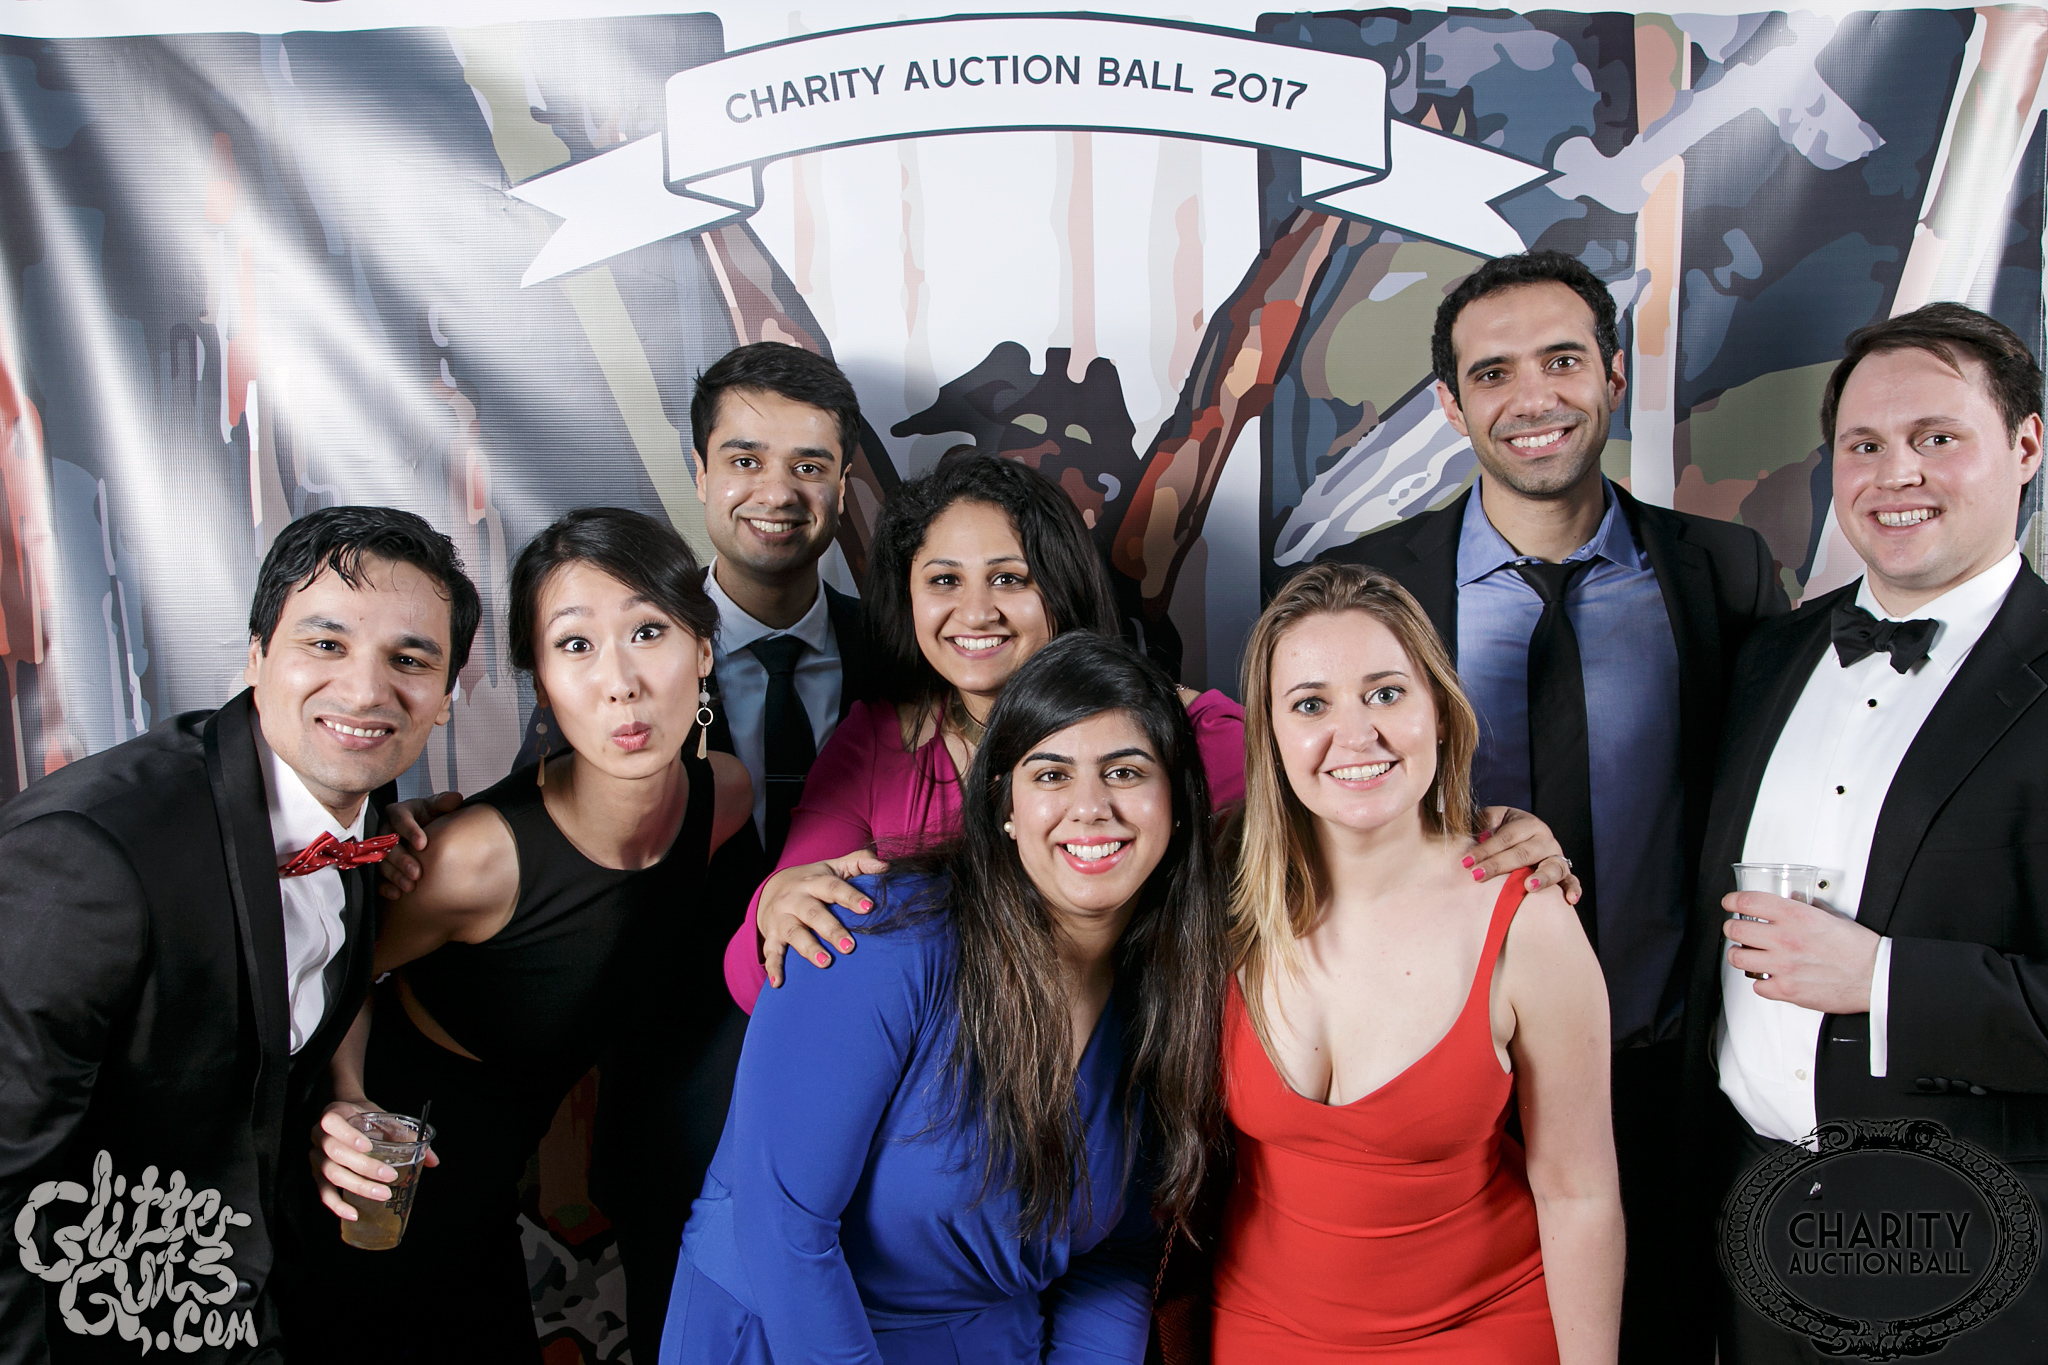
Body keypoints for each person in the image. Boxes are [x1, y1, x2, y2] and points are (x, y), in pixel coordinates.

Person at [1318, 249, 1786, 1359]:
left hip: (1664, 1080)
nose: (1532, 397)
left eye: (1562, 360)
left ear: (1612, 377)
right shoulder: (1362, 589)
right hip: (1445, 1093)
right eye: (1493, 373)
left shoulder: (1724, 572)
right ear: (1450, 405)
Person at [662, 632, 1230, 1365]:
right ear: (1004, 805)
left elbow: (1116, 1256)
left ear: (1177, 804)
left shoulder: (1168, 997)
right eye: (1051, 774)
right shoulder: (877, 936)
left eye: (1124, 772)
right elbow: (782, 1233)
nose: (1090, 807)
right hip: (781, 1332)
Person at [0, 507, 479, 1364]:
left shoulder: (365, 812)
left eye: (409, 660)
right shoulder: (91, 852)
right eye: (325, 644)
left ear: (445, 698)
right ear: (256, 655)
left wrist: (336, 1098)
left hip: (251, 1300)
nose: (365, 691)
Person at [1682, 303, 2048, 1362]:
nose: (1896, 475)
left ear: (2026, 446)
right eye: (1865, 445)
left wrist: (1882, 979)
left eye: (1937, 437)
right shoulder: (1769, 656)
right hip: (1754, 1221)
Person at [298, 509, 750, 1363]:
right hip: (389, 1177)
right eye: (576, 645)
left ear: (702, 651)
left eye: (648, 631)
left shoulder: (722, 797)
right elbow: (332, 962)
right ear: (541, 683)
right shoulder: (475, 859)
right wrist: (347, 1095)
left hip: (500, 1180)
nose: (620, 682)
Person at [1213, 561, 1623, 1362]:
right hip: (1259, 1331)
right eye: (1310, 704)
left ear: (1438, 711)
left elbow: (1578, 1193)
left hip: (1482, 1330)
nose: (1356, 733)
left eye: (1386, 693)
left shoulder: (1528, 920)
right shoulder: (1221, 899)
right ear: (1271, 734)